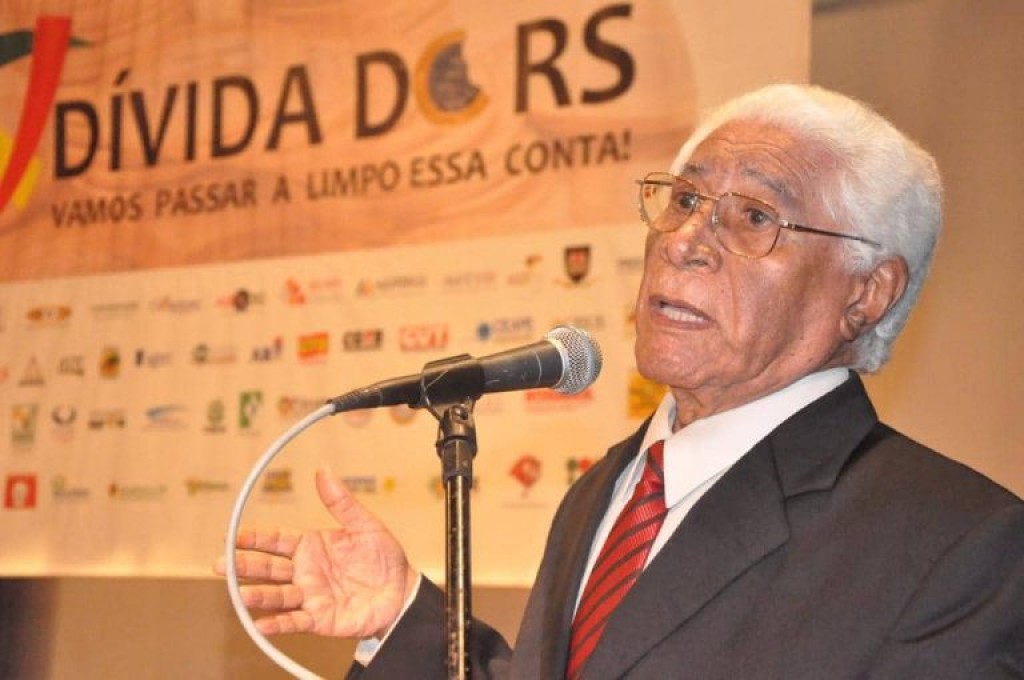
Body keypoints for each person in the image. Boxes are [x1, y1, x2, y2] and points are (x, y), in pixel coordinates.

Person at [216, 84, 1024, 679]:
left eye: (753, 217)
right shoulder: (609, 488)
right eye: (685, 198)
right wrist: (400, 621)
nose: (686, 240)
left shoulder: (962, 548)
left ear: (866, 293)